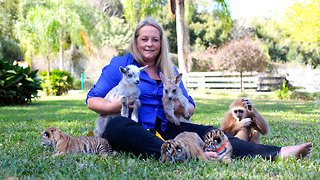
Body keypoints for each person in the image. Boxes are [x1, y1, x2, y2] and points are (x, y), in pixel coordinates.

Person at [86, 17, 312, 161]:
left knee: (209, 131)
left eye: (155, 40)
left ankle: (278, 152)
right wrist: (113, 105)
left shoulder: (169, 69)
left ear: (161, 43)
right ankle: (190, 154)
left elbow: (190, 106)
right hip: (128, 126)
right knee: (118, 125)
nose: (149, 44)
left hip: (165, 128)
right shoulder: (121, 65)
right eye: (144, 39)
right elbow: (92, 99)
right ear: (136, 40)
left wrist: (183, 109)